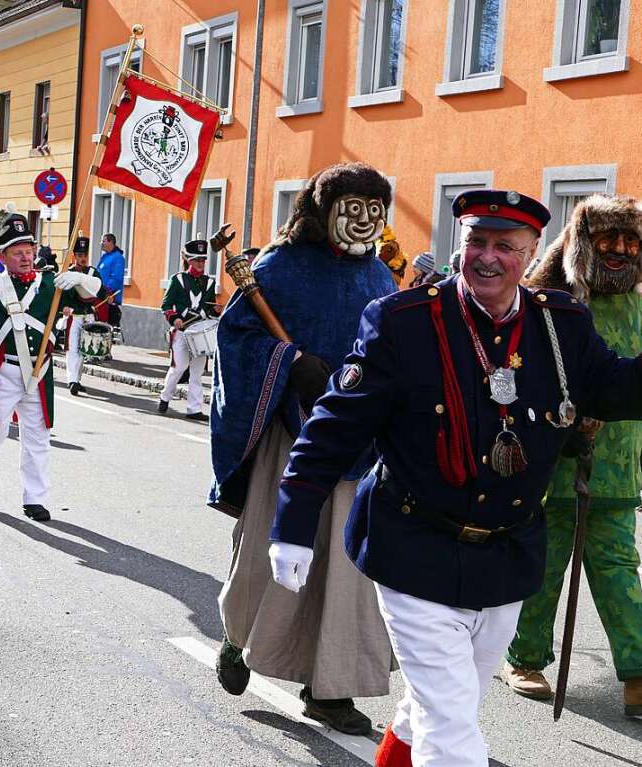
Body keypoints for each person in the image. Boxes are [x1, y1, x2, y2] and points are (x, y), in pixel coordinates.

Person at [269, 189, 642, 767]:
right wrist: (292, 524)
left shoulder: (560, 324)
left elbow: (618, 386)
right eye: (476, 241)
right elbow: (334, 427)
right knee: (453, 729)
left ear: (533, 250)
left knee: (431, 709)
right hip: (412, 548)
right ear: (459, 243)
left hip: (507, 556)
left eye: (505, 246)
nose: (488, 257)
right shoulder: (403, 321)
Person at [210, 164, 397, 734]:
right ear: (323, 208)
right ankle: (239, 640)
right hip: (290, 439)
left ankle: (330, 687)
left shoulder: (382, 281)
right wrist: (291, 364)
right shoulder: (277, 268)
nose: (363, 218)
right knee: (270, 552)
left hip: (357, 450)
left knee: (347, 571)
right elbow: (236, 337)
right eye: (352, 204)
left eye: (374, 206)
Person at [503, 194, 642, 718]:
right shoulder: (552, 299)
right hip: (556, 462)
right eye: (609, 239)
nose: (621, 250)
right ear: (584, 241)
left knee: (618, 570)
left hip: (622, 463)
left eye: (631, 240)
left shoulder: (641, 303)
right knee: (544, 564)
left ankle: (638, 671)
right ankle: (525, 656)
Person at [0, 209, 104, 521]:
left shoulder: (50, 284)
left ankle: (35, 499)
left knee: (38, 437)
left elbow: (92, 302)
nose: (25, 257)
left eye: (29, 251)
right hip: (1, 372)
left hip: (39, 374)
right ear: (2, 255)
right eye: (17, 252)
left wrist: (84, 279)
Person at [157, 239, 219, 420]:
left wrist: (213, 310)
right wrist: (174, 319)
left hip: (200, 333)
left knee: (197, 373)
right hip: (182, 332)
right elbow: (166, 305)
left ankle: (194, 409)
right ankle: (165, 396)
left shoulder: (209, 283)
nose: (201, 264)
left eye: (203, 260)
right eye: (197, 260)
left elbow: (208, 307)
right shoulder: (177, 280)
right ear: (189, 260)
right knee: (179, 367)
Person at [62, 235, 103, 396]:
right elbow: (61, 295)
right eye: (79, 255)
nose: (83, 259)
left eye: (85, 255)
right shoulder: (68, 272)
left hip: (89, 316)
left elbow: (100, 291)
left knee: (84, 350)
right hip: (74, 316)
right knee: (72, 349)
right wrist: (63, 307)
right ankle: (72, 380)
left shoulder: (93, 272)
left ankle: (76, 380)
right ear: (74, 256)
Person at [96, 233, 126, 327]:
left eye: (103, 241)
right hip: (100, 296)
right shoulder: (104, 257)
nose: (101, 243)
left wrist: (106, 291)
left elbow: (116, 278)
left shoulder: (118, 258)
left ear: (111, 242)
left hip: (109, 298)